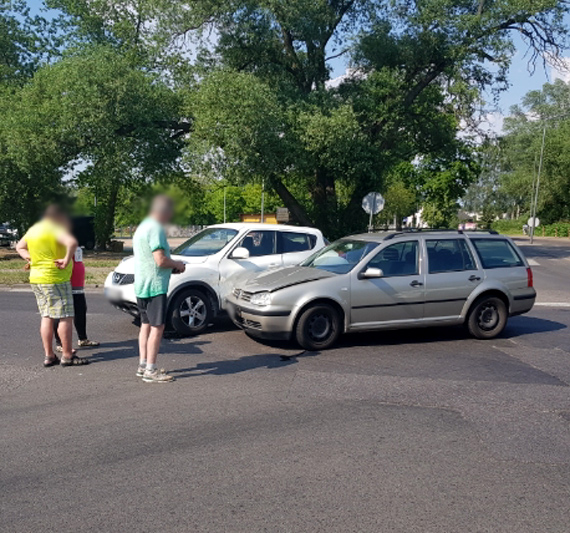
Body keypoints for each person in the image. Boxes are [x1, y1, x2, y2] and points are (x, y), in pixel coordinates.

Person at [16, 205, 89, 367]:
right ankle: (67, 355)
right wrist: (66, 259)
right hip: (55, 278)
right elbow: (72, 243)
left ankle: (49, 355)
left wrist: (30, 259)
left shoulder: (34, 229)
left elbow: (19, 247)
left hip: (37, 278)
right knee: (65, 317)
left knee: (47, 316)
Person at [134, 195, 185, 383]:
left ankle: (142, 365)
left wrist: (171, 267)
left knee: (145, 325)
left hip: (141, 284)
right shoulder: (155, 228)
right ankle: (151, 370)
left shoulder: (142, 226)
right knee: (158, 327)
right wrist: (177, 264)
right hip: (155, 286)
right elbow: (160, 260)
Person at [54, 244, 99, 351]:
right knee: (61, 313)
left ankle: (82, 339)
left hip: (77, 281)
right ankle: (60, 343)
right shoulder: (61, 239)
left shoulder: (75, 239)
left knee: (80, 310)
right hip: (66, 279)